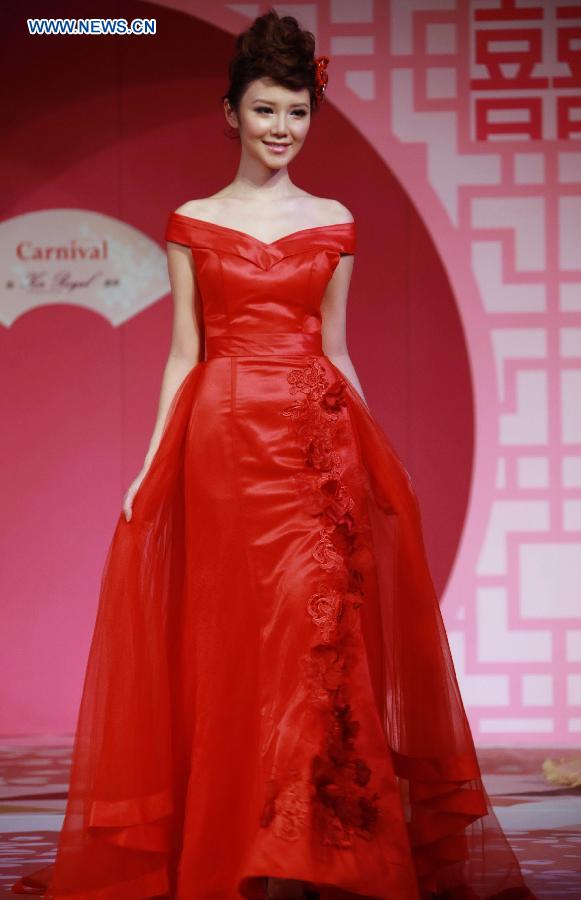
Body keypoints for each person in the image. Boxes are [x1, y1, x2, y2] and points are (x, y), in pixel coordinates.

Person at [12, 8, 537, 900]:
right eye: (264, 110)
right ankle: (235, 844)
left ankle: (311, 849)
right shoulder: (190, 220)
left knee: (313, 635)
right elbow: (184, 351)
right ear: (232, 113)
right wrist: (150, 462)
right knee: (231, 645)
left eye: (295, 111)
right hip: (219, 439)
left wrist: (372, 448)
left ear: (309, 117)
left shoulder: (334, 220)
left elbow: (335, 347)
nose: (281, 127)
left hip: (312, 446)